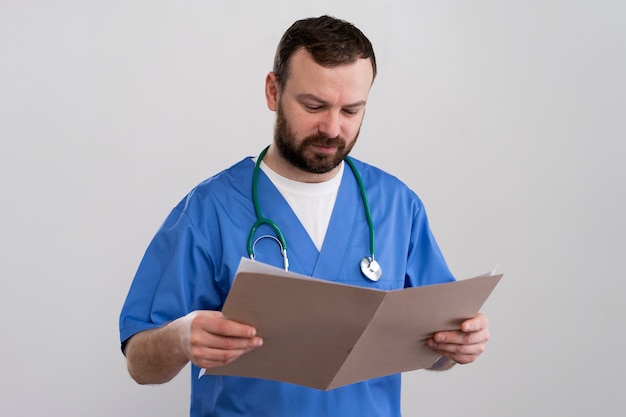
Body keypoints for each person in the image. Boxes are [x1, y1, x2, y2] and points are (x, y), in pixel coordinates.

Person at [119, 15, 490, 417]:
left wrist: (458, 347)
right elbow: (140, 364)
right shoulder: (210, 210)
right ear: (273, 92)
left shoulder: (397, 206)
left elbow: (437, 347)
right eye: (314, 106)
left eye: (351, 110)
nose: (332, 128)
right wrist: (179, 338)